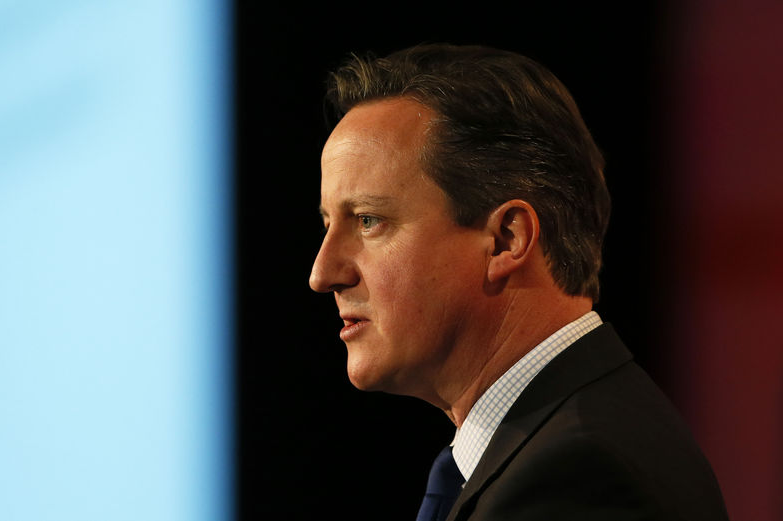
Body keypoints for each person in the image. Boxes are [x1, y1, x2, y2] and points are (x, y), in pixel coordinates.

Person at [309, 43, 729, 521]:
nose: (323, 274)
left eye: (367, 220)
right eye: (328, 225)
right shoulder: (556, 443)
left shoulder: (578, 478)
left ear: (507, 240)